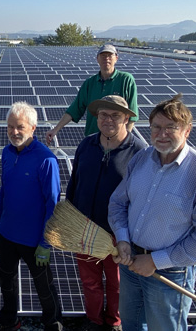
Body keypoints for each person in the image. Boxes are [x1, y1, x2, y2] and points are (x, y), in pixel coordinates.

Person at [108, 94, 196, 331]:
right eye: (156, 127)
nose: (161, 134)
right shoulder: (140, 159)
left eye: (170, 127)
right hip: (131, 264)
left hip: (171, 274)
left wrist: (154, 261)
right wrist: (122, 239)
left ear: (187, 130)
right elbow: (118, 203)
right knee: (131, 324)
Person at [66, 95, 145, 331]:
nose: (108, 119)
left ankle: (114, 321)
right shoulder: (86, 145)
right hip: (85, 229)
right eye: (103, 115)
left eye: (115, 115)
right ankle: (94, 319)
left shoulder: (138, 151)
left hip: (118, 235)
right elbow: (75, 182)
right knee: (90, 281)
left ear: (126, 119)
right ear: (97, 117)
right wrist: (71, 217)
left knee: (117, 282)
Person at [0, 102, 63, 331]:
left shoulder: (46, 160)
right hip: (7, 233)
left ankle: (53, 322)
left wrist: (46, 242)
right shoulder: (6, 153)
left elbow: (53, 204)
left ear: (33, 128)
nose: (14, 132)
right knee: (6, 280)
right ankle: (10, 317)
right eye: (10, 127)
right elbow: (4, 189)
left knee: (43, 285)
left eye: (20, 127)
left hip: (34, 239)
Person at [45, 44, 138, 144]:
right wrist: (56, 129)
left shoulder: (126, 80)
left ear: (116, 58)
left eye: (109, 55)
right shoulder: (90, 83)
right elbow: (75, 109)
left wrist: (124, 141)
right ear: (97, 59)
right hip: (94, 140)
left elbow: (131, 115)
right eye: (103, 56)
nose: (106, 59)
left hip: (116, 141)